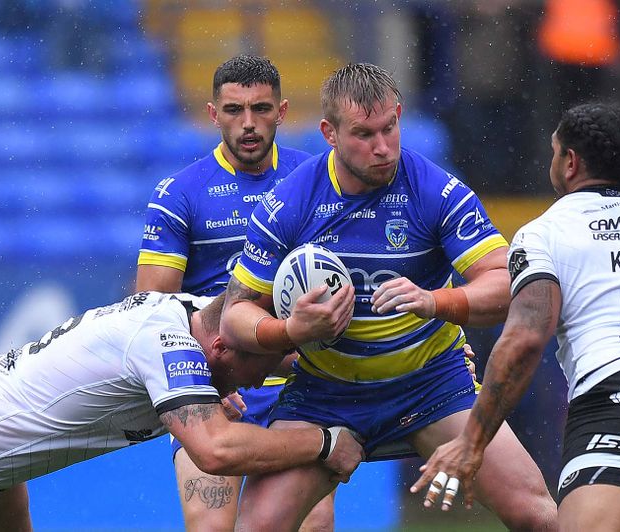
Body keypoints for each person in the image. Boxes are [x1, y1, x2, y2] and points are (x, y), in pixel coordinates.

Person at [220, 62, 557, 531]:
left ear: (399, 114)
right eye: (363, 134)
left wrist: (436, 302)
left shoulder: (434, 190)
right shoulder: (290, 202)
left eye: (389, 128)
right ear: (329, 133)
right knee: (255, 528)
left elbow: (505, 285)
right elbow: (234, 316)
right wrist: (290, 331)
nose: (382, 147)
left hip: (431, 385)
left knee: (539, 515)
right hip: (325, 393)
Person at [413, 103, 620, 531]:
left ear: (570, 162)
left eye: (554, 152)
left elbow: (526, 338)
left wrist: (472, 443)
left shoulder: (547, 231)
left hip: (619, 399)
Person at [0, 291, 363, 532]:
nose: (259, 384)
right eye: (256, 372)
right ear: (220, 350)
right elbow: (216, 450)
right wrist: (324, 444)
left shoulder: (200, 315)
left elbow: (287, 357)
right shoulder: (167, 343)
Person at [134, 55, 337, 530]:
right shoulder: (180, 193)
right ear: (213, 114)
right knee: (211, 527)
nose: (248, 124)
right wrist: (202, 385)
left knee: (314, 526)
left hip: (296, 389)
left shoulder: (318, 180)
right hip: (214, 389)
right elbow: (152, 311)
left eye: (261, 109)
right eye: (234, 110)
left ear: (282, 111)